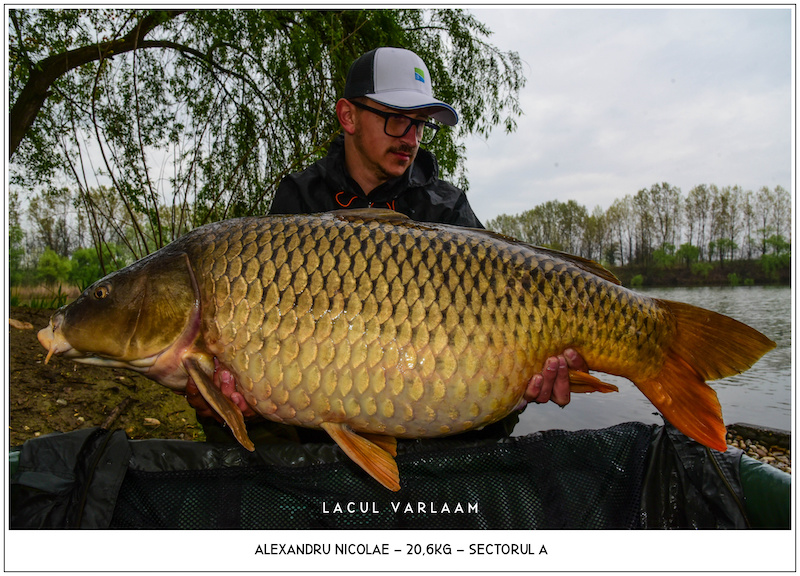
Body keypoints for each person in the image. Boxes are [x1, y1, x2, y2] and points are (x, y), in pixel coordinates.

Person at [186, 47, 588, 443]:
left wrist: (520, 391)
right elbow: (270, 354)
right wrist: (231, 397)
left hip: (433, 430)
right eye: (397, 119)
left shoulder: (446, 210)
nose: (411, 139)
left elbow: (499, 345)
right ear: (348, 116)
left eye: (421, 124)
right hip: (319, 439)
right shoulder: (300, 200)